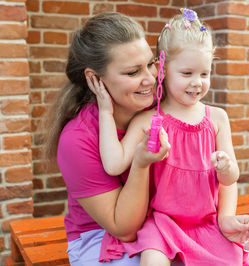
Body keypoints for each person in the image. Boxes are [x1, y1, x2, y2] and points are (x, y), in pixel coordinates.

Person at [89, 9, 249, 265]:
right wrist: (105, 110)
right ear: (163, 69)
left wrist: (225, 169)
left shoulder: (217, 119)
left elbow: (230, 179)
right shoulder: (149, 121)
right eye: (187, 73)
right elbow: (114, 164)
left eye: (204, 74)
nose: (197, 82)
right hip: (162, 224)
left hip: (207, 224)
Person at [43, 12, 171, 265]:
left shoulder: (158, 107)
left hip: (161, 225)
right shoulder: (77, 140)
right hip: (100, 238)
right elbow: (123, 228)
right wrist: (140, 163)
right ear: (95, 78)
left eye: (151, 63)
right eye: (133, 72)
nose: (150, 77)